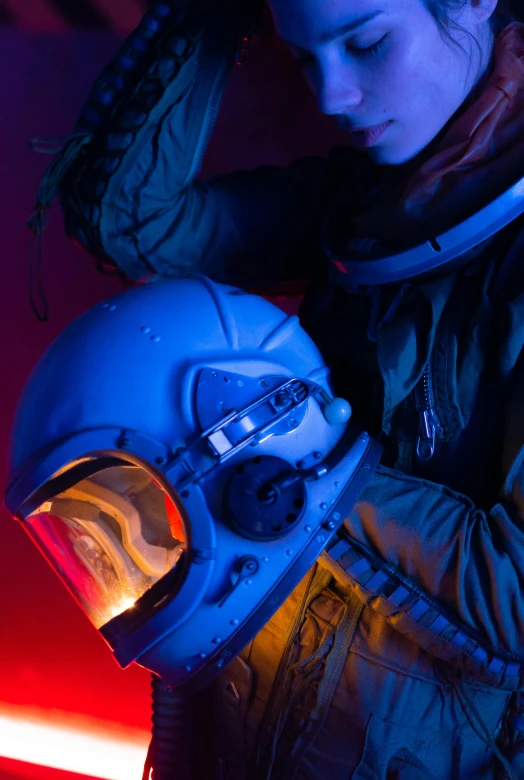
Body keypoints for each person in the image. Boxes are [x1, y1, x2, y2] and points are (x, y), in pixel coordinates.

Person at [36, 0, 524, 776]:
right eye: (303, 57)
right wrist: (210, 12)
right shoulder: (359, 203)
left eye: (365, 42)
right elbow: (134, 222)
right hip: (249, 719)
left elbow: (516, 598)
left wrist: (306, 465)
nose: (331, 96)